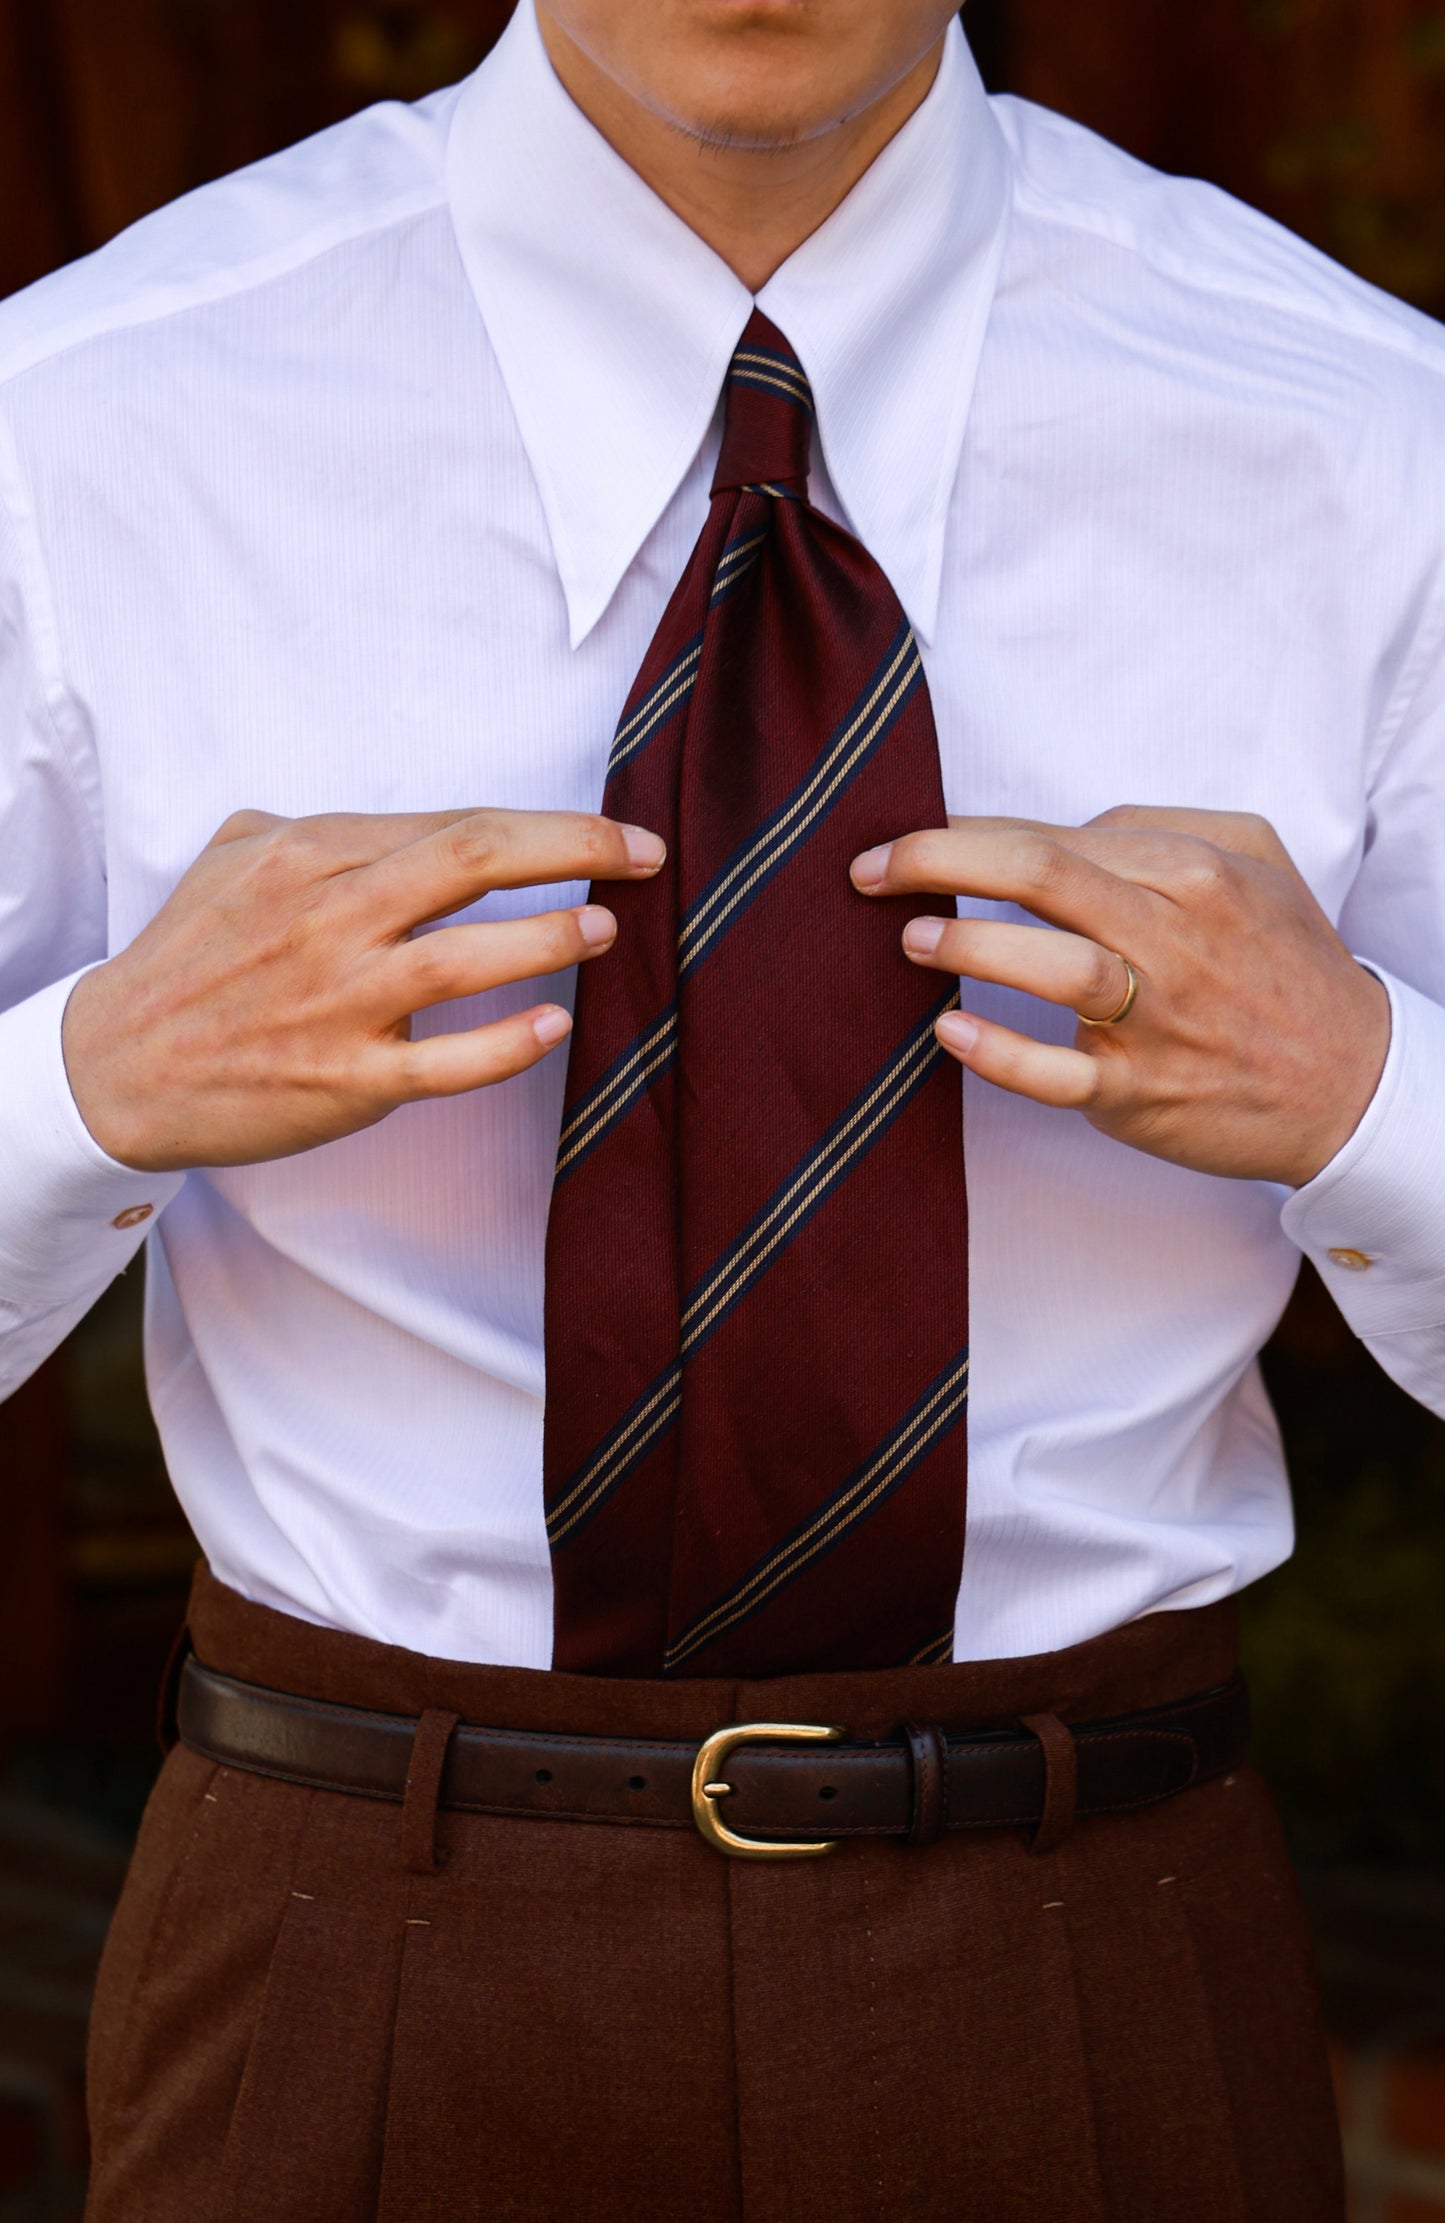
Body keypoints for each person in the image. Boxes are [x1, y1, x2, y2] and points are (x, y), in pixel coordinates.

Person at [2, 0, 1442, 2212]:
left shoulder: (1374, 445)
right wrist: (90, 1078)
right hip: (345, 1950)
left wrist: (1368, 1087)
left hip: (1096, 1956)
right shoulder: (78, 423)